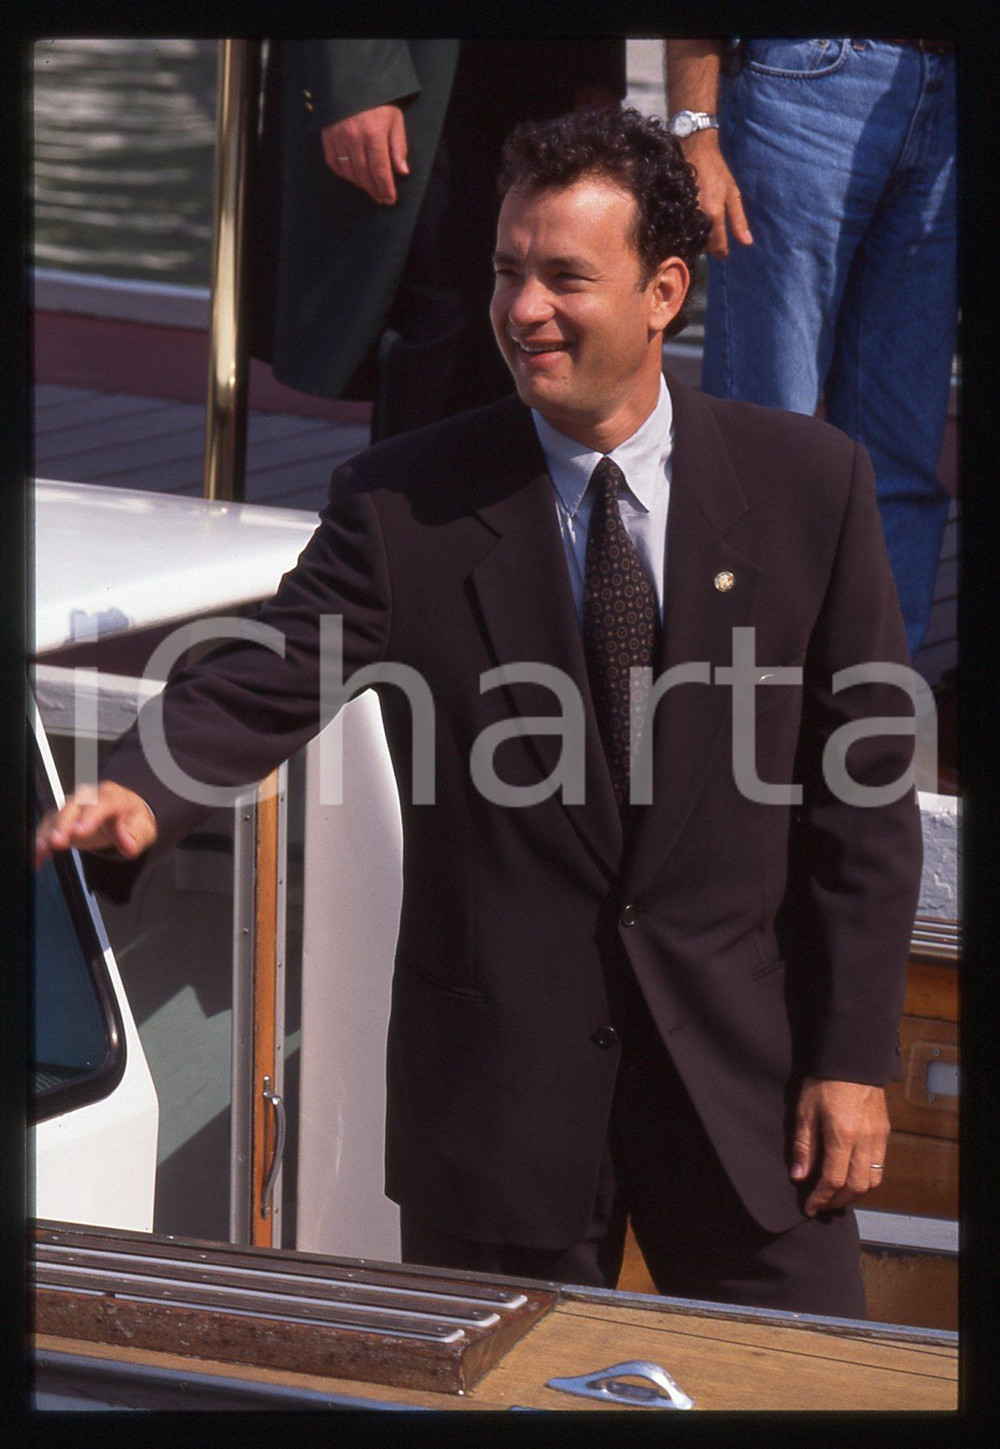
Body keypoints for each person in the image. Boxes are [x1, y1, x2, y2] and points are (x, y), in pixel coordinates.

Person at [37, 107, 922, 1317]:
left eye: (565, 277)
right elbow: (269, 669)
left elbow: (861, 805)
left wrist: (851, 1061)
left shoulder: (810, 487)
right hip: (498, 1115)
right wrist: (141, 785)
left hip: (750, 1099)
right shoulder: (404, 503)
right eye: (508, 271)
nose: (521, 310)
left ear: (664, 291)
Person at [664, 38, 956, 661]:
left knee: (900, 457)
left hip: (951, 100)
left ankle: (875, 709)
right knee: (765, 440)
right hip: (811, 82)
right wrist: (696, 128)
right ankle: (745, 701)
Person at [248, 39, 625, 439]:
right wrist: (358, 76)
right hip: (424, 72)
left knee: (528, 304)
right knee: (449, 315)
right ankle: (412, 500)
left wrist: (595, 65)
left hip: (543, 64)